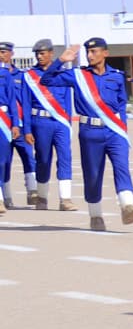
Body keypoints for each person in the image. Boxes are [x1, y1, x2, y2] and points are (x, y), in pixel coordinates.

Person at [69, 37, 133, 229]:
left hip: (114, 131)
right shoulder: (79, 75)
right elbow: (47, 79)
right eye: (88, 52)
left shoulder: (117, 76)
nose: (90, 55)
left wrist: (123, 131)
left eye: (94, 51)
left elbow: (121, 105)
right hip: (90, 131)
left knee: (122, 166)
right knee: (93, 175)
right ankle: (95, 215)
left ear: (105, 53)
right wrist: (62, 60)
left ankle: (127, 206)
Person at [23, 39, 77, 209]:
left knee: (65, 158)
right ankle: (42, 197)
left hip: (60, 122)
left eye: (43, 53)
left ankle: (65, 199)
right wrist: (27, 129)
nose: (39, 56)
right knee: (43, 159)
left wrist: (68, 124)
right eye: (37, 54)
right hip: (40, 122)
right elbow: (25, 104)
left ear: (51, 53)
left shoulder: (61, 74)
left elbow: (68, 102)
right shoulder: (30, 76)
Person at [0, 41, 30, 213]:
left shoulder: (5, 74)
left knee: (3, 160)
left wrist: (16, 124)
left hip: (4, 121)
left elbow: (12, 100)